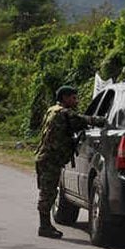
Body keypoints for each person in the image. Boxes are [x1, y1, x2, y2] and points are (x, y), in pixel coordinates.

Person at [35, 85, 100, 239]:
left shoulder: (52, 110)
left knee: (48, 192)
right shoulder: (64, 113)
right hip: (50, 159)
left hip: (45, 157)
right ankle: (44, 227)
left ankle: (45, 225)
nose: (76, 101)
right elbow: (84, 120)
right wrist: (104, 120)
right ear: (65, 98)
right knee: (48, 193)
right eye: (73, 98)